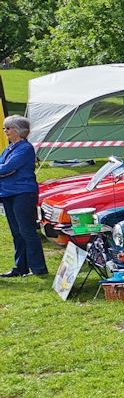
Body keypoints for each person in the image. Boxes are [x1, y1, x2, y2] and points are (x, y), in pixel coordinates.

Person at [0, 115, 48, 277]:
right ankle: (21, 267)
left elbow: (7, 169)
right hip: (8, 193)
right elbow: (5, 168)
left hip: (23, 193)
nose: (5, 131)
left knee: (26, 230)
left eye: (8, 128)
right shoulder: (10, 148)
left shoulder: (25, 148)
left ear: (19, 131)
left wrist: (6, 170)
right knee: (16, 232)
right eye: (4, 128)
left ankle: (38, 268)